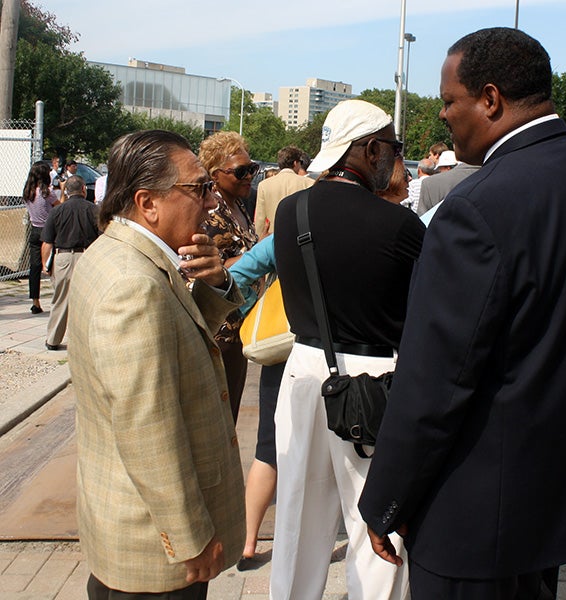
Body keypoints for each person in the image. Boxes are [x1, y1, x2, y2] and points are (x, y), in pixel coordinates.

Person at [358, 27, 566, 599]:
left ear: (490, 99)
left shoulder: (476, 207)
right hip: (556, 494)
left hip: (475, 513)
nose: (441, 115)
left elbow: (436, 381)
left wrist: (387, 497)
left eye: (447, 100)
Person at [67, 129, 246, 599]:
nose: (211, 203)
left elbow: (175, 340)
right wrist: (190, 540)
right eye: (199, 188)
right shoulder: (134, 285)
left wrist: (218, 283)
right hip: (156, 550)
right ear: (148, 203)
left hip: (128, 528)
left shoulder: (119, 254)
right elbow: (147, 429)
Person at [271, 99, 424, 600]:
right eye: (394, 149)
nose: (395, 160)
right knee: (377, 528)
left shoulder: (290, 209)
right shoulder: (401, 227)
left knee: (297, 519)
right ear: (371, 148)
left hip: (303, 370)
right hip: (376, 380)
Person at [227, 236, 283, 569]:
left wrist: (252, 307)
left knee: (269, 449)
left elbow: (240, 274)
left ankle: (248, 543)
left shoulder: (293, 224)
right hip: (348, 354)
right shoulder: (373, 221)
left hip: (285, 348)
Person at [198, 131, 260, 423]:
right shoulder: (210, 212)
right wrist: (261, 255)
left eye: (252, 168)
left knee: (230, 415)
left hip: (240, 327)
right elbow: (206, 267)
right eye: (241, 171)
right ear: (215, 174)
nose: (249, 176)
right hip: (220, 330)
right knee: (218, 420)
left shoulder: (240, 207)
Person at [40, 175, 99, 351]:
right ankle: (83, 341)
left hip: (63, 256)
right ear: (84, 190)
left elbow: (47, 242)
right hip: (86, 256)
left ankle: (53, 339)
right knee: (87, 301)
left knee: (60, 299)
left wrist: (46, 265)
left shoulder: (57, 211)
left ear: (66, 191)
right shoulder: (94, 210)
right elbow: (103, 237)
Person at [22, 161, 60, 314]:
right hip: (48, 230)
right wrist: (62, 191)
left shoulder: (28, 192)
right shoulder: (47, 193)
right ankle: (58, 297)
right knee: (54, 265)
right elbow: (60, 206)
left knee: (35, 267)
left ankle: (35, 301)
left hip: (34, 229)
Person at [254, 145, 314, 236]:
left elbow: (260, 219)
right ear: (295, 163)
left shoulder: (264, 185)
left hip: (272, 238)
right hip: (300, 238)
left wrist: (259, 240)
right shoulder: (309, 183)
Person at [416, 150, 480, 216]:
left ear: (448, 168)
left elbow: (422, 217)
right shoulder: (480, 175)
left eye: (440, 169)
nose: (439, 172)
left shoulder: (429, 183)